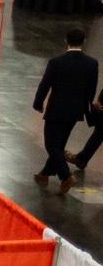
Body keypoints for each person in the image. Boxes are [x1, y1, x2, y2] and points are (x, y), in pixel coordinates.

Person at [35, 28, 100, 191]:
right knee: (60, 142)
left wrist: (38, 103)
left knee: (51, 144)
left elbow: (45, 84)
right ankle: (45, 173)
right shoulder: (92, 63)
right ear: (84, 41)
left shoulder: (56, 62)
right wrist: (88, 106)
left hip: (56, 108)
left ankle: (66, 176)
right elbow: (91, 89)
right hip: (75, 110)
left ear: (65, 40)